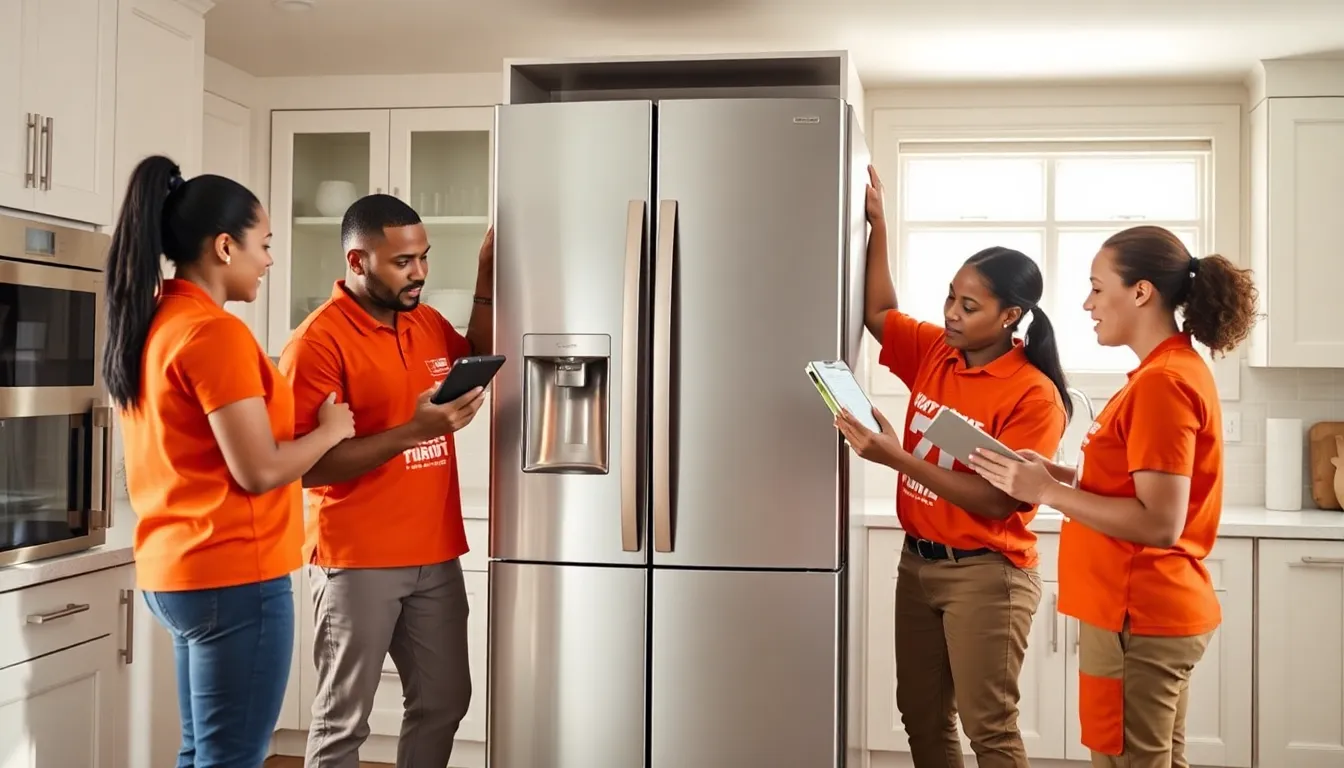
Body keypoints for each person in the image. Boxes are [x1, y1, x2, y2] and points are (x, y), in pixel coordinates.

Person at [970, 225, 1258, 768]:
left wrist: (1047, 491)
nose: (1088, 304)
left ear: (1141, 292)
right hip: (1142, 612)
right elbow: (1132, 487)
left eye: (1098, 288)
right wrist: (1055, 474)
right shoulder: (1166, 371)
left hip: (1137, 613)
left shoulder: (1162, 383)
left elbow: (1159, 522)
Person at [106, 155, 355, 768]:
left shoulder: (155, 320)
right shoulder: (214, 333)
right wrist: (331, 431)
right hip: (234, 576)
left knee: (203, 753)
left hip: (175, 572)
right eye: (263, 244)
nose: (268, 260)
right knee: (231, 758)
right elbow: (259, 470)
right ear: (224, 246)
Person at [834, 166, 1071, 768]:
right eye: (949, 297)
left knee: (989, 729)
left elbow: (997, 501)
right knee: (921, 716)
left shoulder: (1033, 394)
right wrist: (878, 225)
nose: (951, 313)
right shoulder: (939, 352)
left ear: (1010, 316)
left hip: (987, 576)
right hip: (918, 564)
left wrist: (895, 457)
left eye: (969, 305)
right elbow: (879, 312)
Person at [278, 194, 494, 768]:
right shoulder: (316, 343)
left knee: (445, 701)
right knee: (343, 721)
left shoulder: (425, 321)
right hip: (358, 557)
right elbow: (303, 467)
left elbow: (475, 356)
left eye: (424, 257)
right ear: (357, 261)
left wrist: (486, 274)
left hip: (435, 551)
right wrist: (412, 431)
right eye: (403, 262)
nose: (419, 272)